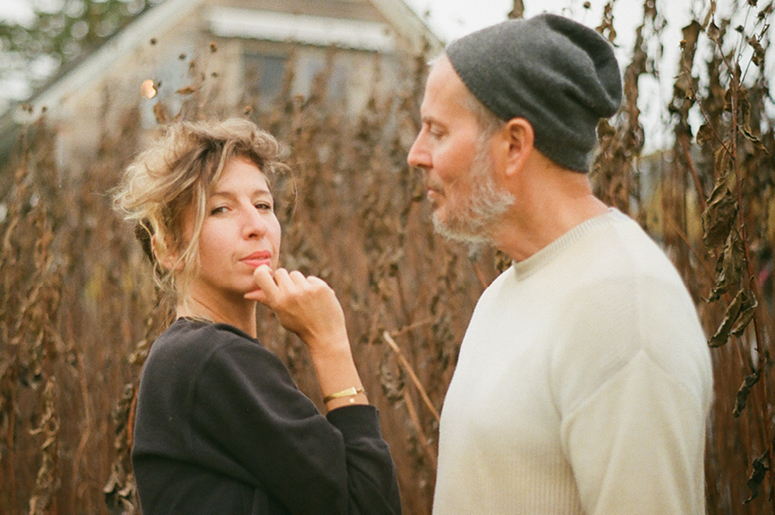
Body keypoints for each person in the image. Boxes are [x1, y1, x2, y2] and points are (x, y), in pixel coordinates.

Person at [406, 14, 713, 515]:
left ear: (514, 145)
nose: (417, 154)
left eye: (437, 132)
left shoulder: (625, 308)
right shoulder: (505, 293)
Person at [113, 118, 401, 514]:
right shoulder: (211, 358)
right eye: (220, 208)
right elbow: (371, 506)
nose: (256, 226)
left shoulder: (191, 355)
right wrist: (330, 343)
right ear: (168, 248)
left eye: (264, 204)